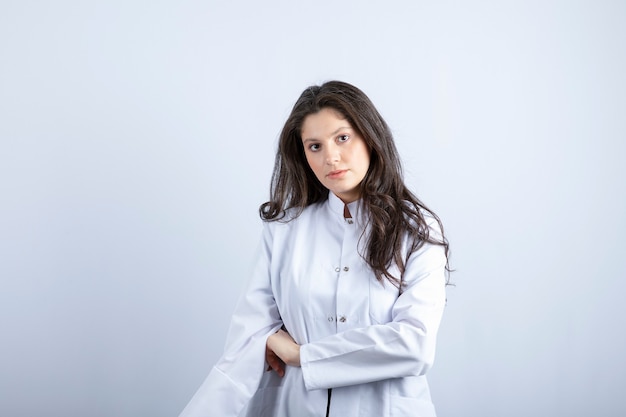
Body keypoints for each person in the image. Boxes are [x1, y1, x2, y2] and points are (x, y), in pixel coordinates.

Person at [179, 81, 450, 417]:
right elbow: (247, 343)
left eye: (342, 138)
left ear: (370, 136)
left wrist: (300, 356)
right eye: (314, 146)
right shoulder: (284, 230)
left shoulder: (416, 230)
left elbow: (415, 345)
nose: (330, 157)